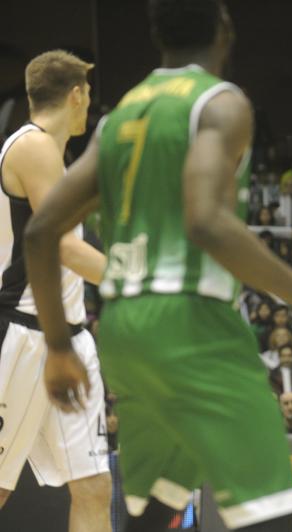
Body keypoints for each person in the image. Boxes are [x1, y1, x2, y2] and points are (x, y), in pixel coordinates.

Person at [23, 2, 292, 531]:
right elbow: (205, 221)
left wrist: (59, 347)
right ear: (224, 30)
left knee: (154, 510)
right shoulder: (221, 103)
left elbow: (40, 233)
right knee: (272, 511)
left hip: (123, 330)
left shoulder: (120, 115)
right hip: (192, 321)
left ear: (157, 36)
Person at [0, 50, 112, 532]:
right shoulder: (32, 146)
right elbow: (64, 248)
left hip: (69, 338)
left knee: (93, 487)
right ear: (76, 94)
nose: (89, 104)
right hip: (22, 333)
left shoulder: (55, 157)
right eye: (87, 95)